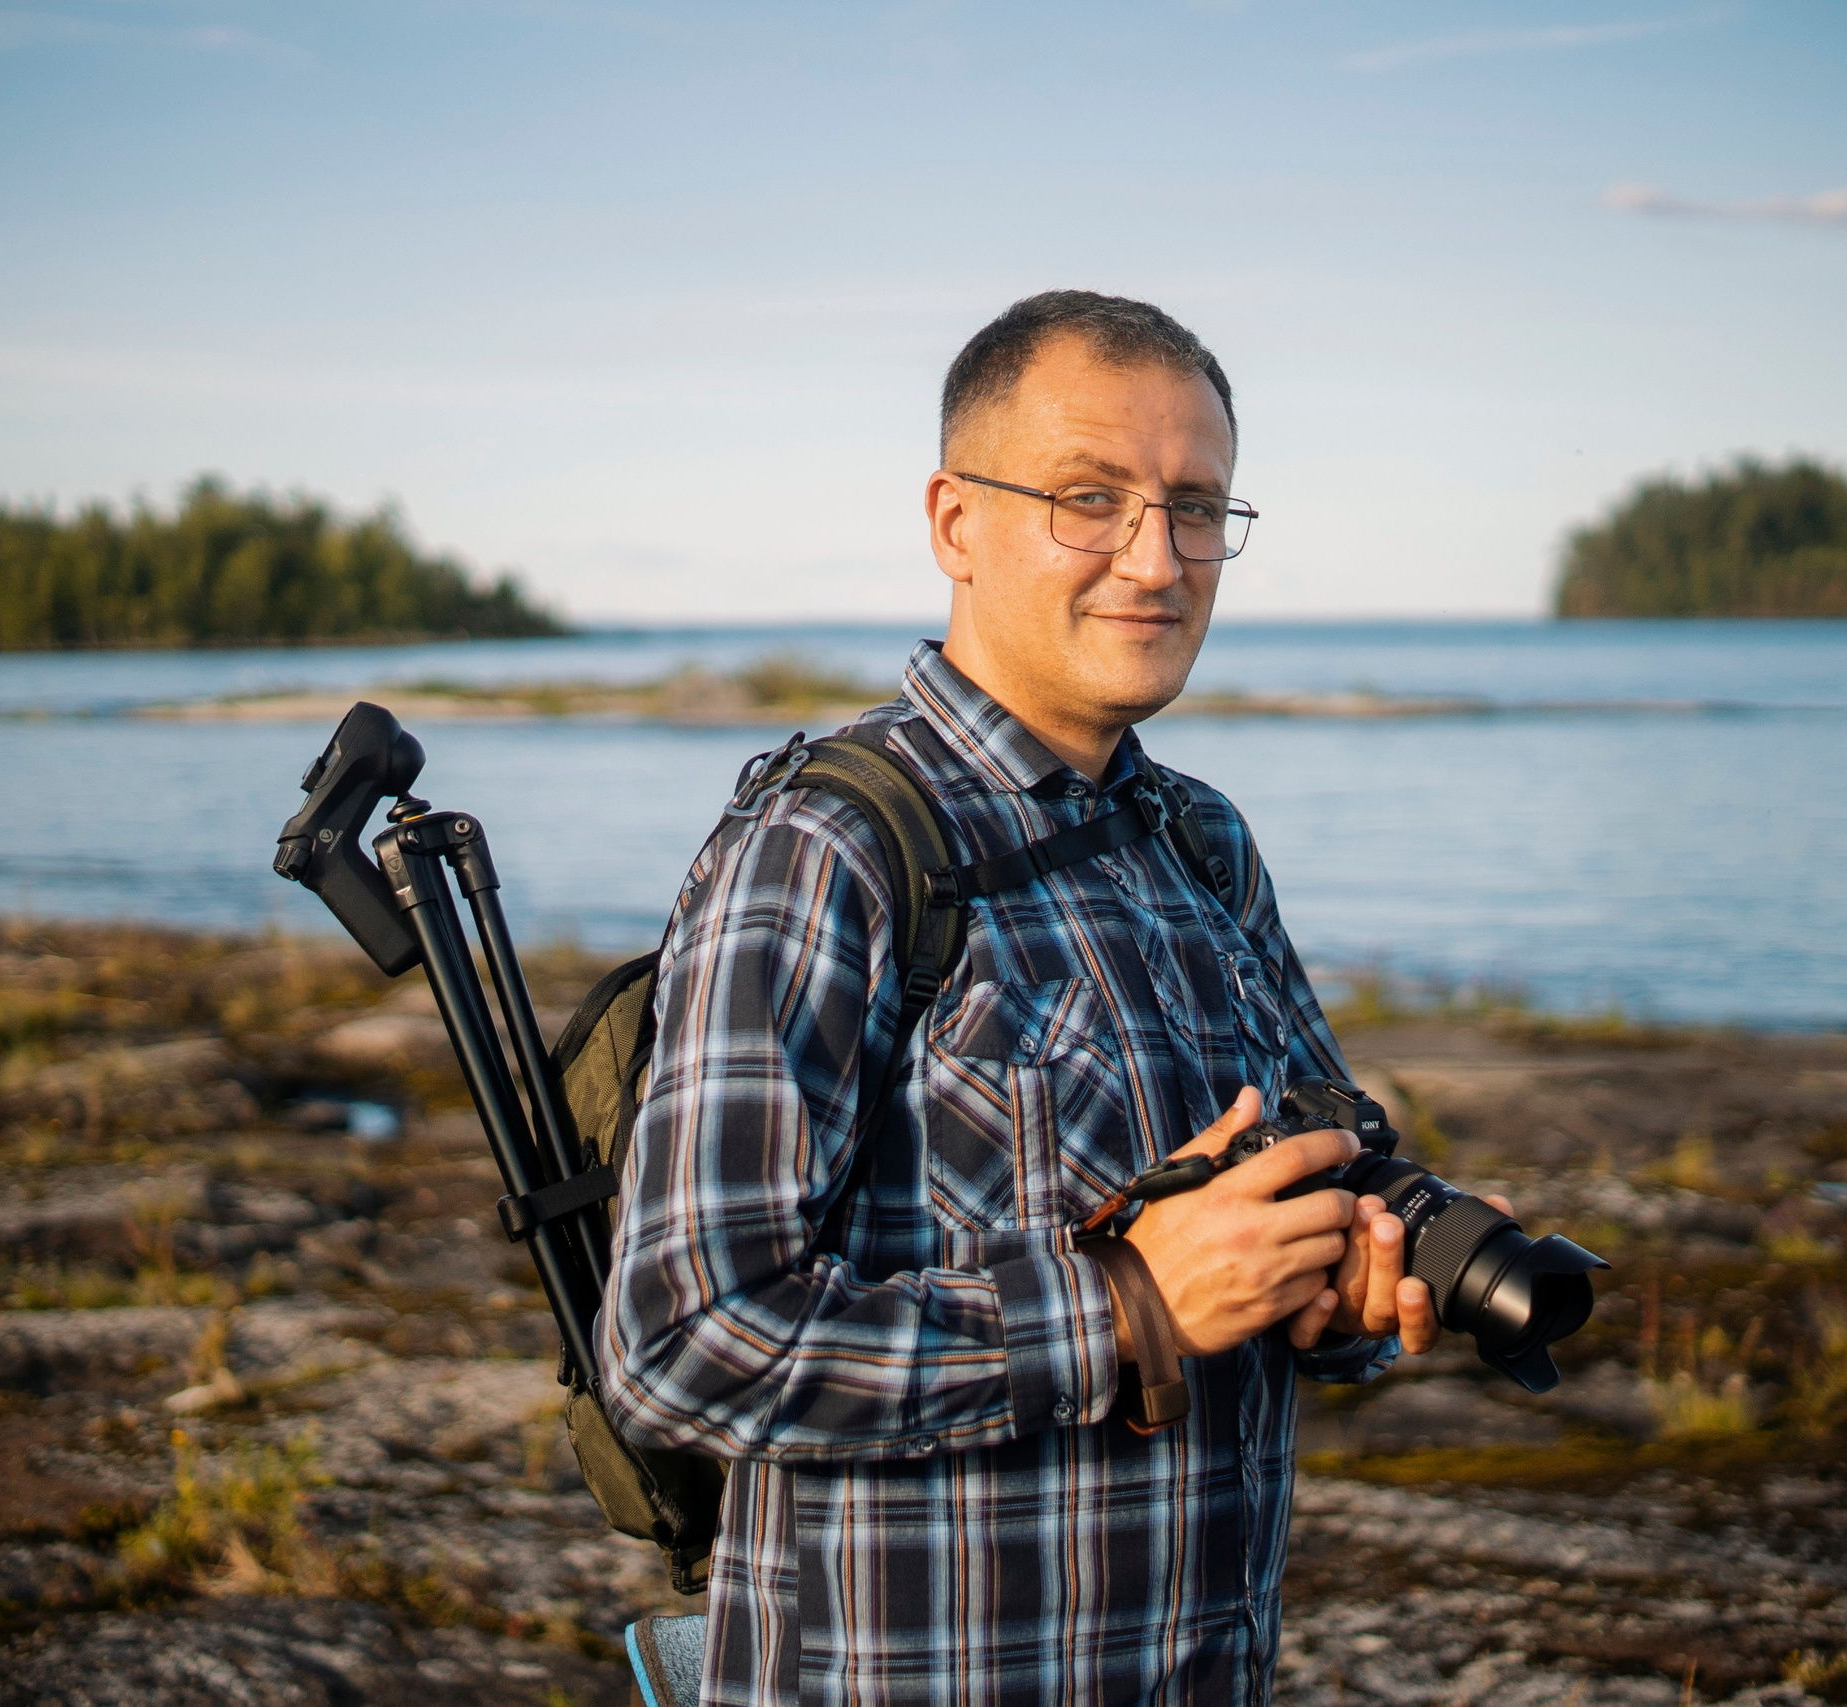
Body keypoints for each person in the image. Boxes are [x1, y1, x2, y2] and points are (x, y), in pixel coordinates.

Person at [600, 290, 1492, 1704]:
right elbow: (682, 1343)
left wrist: (1340, 1282)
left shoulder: (1200, 841)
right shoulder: (834, 845)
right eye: (1091, 499)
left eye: (1196, 507)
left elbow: (1296, 1201)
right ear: (956, 523)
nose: (1157, 558)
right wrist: (1124, 1305)